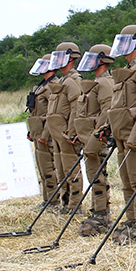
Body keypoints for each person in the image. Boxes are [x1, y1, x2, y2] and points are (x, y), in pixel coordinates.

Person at [99, 25, 136, 244]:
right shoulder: (125, 71)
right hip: (121, 134)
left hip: (133, 135)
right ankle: (132, 218)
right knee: (125, 180)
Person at [73, 44, 115, 236]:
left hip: (96, 139)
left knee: (98, 177)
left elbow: (107, 111)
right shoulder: (96, 82)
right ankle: (97, 210)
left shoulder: (105, 83)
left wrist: (99, 133)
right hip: (88, 137)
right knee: (93, 176)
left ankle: (102, 213)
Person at [45, 42, 84, 213]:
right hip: (58, 135)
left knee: (71, 171)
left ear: (70, 58)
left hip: (67, 135)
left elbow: (77, 107)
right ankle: (66, 203)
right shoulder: (63, 81)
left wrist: (72, 131)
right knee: (62, 172)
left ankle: (75, 206)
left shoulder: (73, 81)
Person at [26, 54, 58, 207]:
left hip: (48, 134)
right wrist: (31, 131)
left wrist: (44, 134)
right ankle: (47, 199)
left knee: (51, 168)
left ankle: (54, 200)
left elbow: (51, 113)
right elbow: (35, 113)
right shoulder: (41, 86)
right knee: (43, 168)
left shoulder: (52, 86)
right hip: (38, 133)